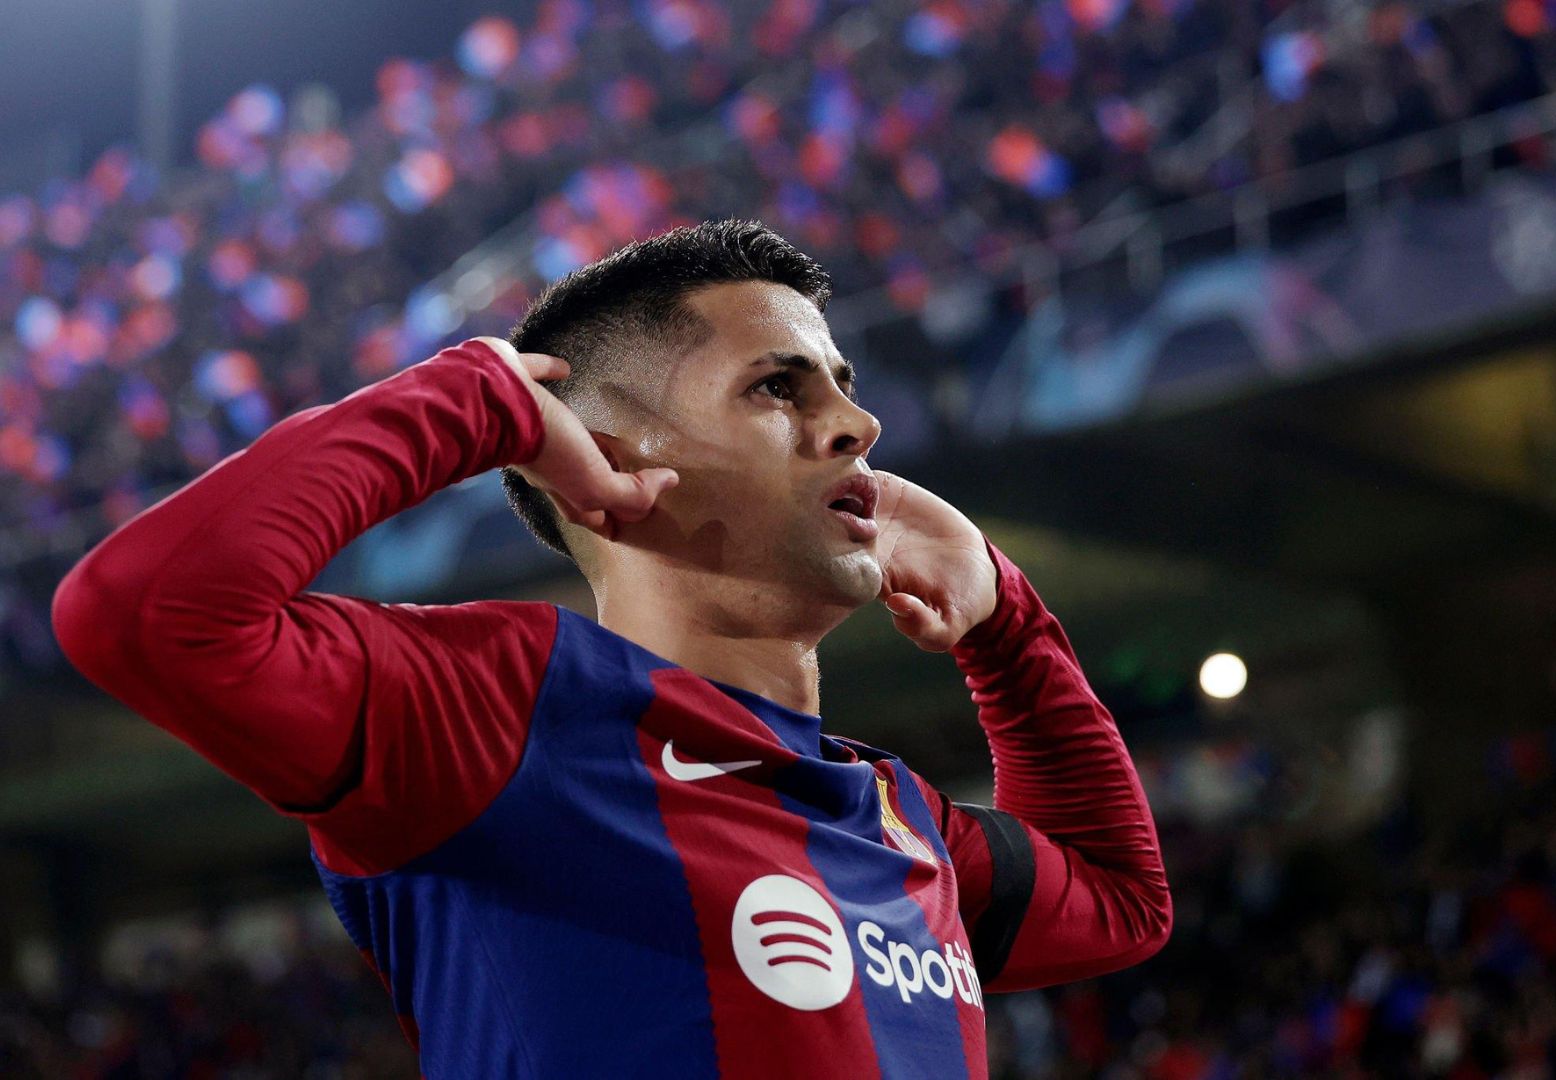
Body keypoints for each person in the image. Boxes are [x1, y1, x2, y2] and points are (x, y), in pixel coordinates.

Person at [51, 219, 1171, 1078]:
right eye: (778, 386)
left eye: (841, 383)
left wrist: (1004, 621)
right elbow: (144, 612)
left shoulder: (893, 815)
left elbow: (1122, 901)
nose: (852, 423)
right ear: (611, 453)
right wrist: (470, 401)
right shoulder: (503, 713)